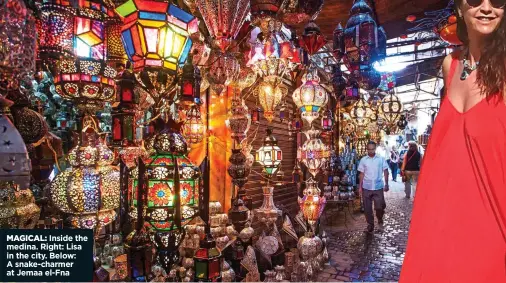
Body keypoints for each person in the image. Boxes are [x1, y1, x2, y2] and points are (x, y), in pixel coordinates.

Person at [400, 0, 506, 281]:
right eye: (475, 0)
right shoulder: (451, 64)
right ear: (459, 7)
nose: (486, 7)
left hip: (492, 229)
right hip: (438, 224)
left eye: (498, 1)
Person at [358, 141, 389, 234]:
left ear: (375, 149)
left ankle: (380, 218)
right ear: (367, 149)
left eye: (372, 149)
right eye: (369, 149)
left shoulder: (381, 159)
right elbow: (361, 174)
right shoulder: (363, 160)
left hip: (378, 187)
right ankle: (370, 225)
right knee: (367, 209)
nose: (371, 151)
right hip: (366, 187)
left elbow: (386, 171)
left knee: (380, 207)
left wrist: (386, 184)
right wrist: (360, 187)